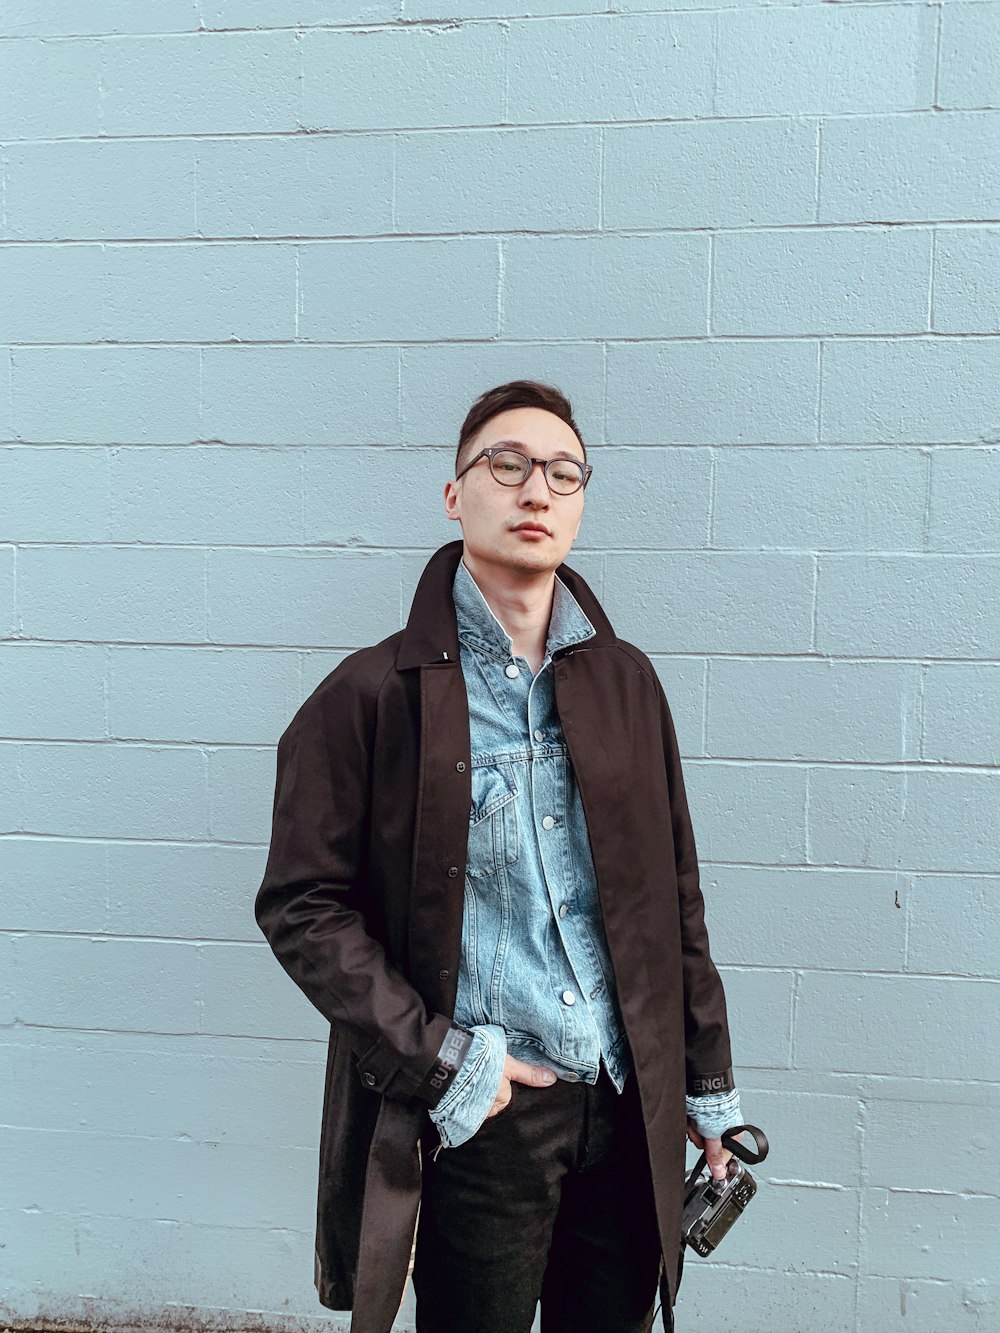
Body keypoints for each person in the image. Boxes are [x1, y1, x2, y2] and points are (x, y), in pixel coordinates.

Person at [255, 380, 743, 1333]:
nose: (536, 491)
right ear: (455, 495)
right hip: (487, 1113)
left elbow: (671, 895)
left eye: (564, 473)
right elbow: (301, 905)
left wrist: (705, 1083)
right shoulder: (370, 697)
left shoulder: (627, 683)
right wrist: (440, 1061)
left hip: (623, 1095)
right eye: (507, 465)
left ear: (582, 501)